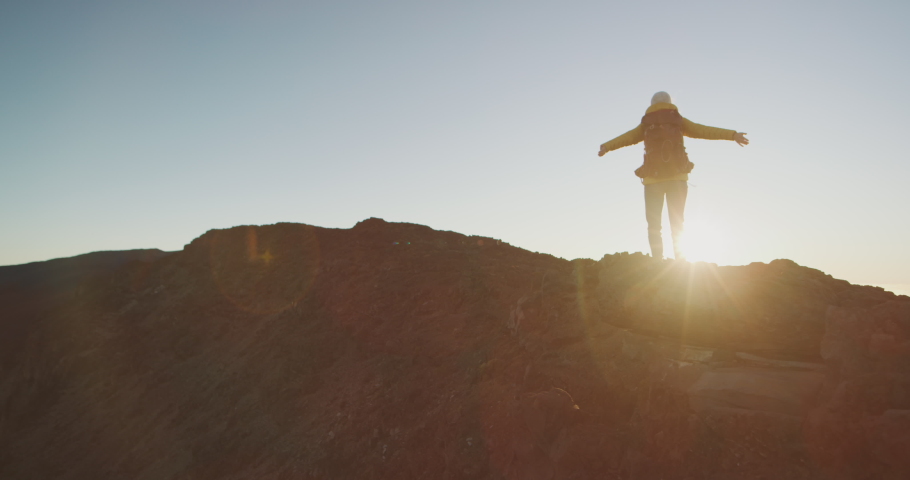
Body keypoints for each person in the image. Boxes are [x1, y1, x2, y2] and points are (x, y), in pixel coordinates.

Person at [598, 91, 748, 260]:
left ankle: (657, 261)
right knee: (677, 224)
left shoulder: (647, 123)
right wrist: (732, 135)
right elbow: (704, 130)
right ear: (670, 102)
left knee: (654, 226)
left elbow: (627, 137)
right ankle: (680, 261)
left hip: (652, 180)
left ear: (651, 104)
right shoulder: (677, 120)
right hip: (677, 179)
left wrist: (607, 146)